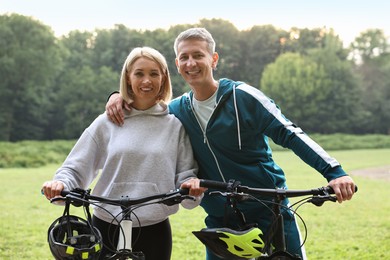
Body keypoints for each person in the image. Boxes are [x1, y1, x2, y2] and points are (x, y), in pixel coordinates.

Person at [105, 28, 356, 260]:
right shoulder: (176, 111)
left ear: (213, 59)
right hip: (220, 220)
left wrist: (335, 173)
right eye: (184, 57)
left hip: (269, 210)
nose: (191, 63)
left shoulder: (243, 97)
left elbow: (290, 134)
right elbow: (142, 111)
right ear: (177, 65)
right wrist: (116, 96)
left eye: (198, 55)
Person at [42, 46, 204, 260]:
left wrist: (191, 185)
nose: (146, 80)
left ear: (164, 79)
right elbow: (75, 167)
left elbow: (186, 175)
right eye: (139, 73)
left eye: (154, 74)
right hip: (105, 223)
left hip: (155, 226)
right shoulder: (107, 122)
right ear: (128, 78)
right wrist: (60, 184)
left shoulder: (175, 125)